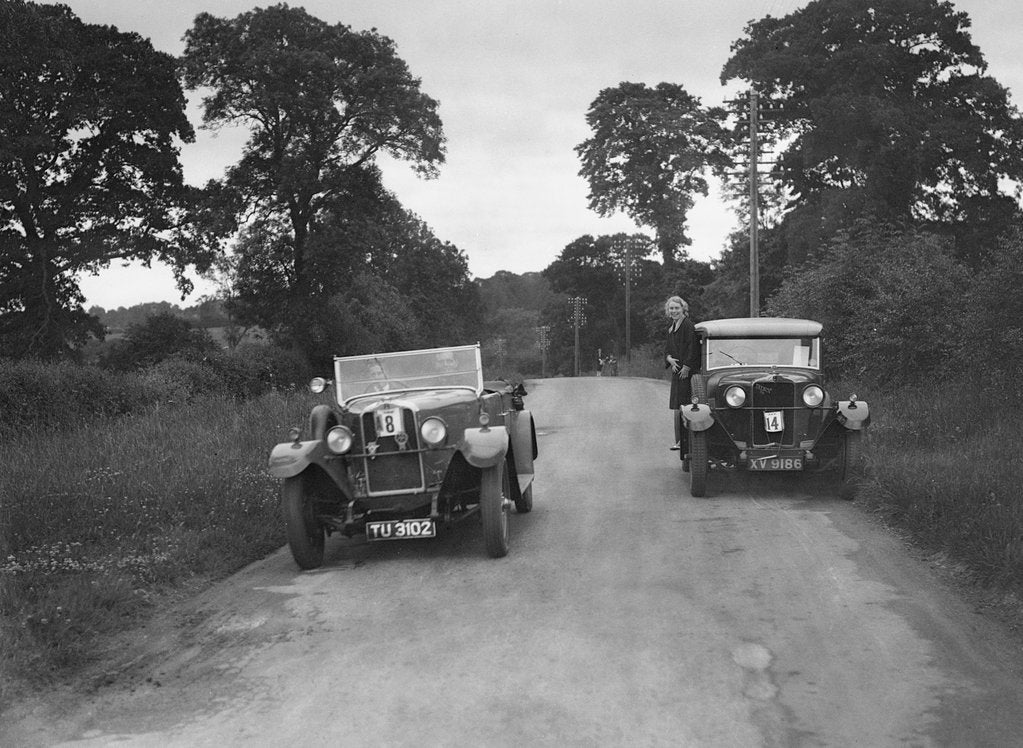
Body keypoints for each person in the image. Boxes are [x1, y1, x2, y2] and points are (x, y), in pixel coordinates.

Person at [664, 296, 699, 452]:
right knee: (678, 407)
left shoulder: (688, 325)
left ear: (683, 309)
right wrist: (669, 360)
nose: (674, 311)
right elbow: (667, 349)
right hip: (676, 372)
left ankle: (686, 442)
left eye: (676, 308)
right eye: (671, 308)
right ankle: (679, 441)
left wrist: (686, 367)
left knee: (686, 406)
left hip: (687, 374)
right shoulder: (671, 328)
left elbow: (693, 348)